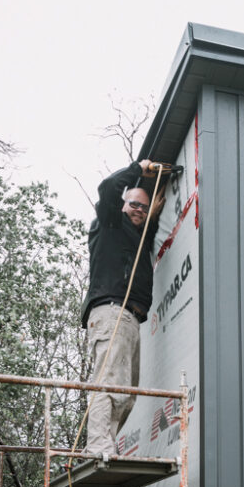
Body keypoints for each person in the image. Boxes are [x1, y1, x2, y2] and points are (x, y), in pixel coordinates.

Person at [80, 159, 164, 458]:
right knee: (109, 382)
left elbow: (144, 234)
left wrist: (152, 213)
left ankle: (105, 445)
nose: (139, 210)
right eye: (133, 204)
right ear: (122, 205)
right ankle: (98, 447)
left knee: (126, 393)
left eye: (144, 207)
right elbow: (107, 188)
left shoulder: (136, 235)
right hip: (110, 311)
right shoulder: (110, 223)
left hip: (129, 316)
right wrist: (138, 170)